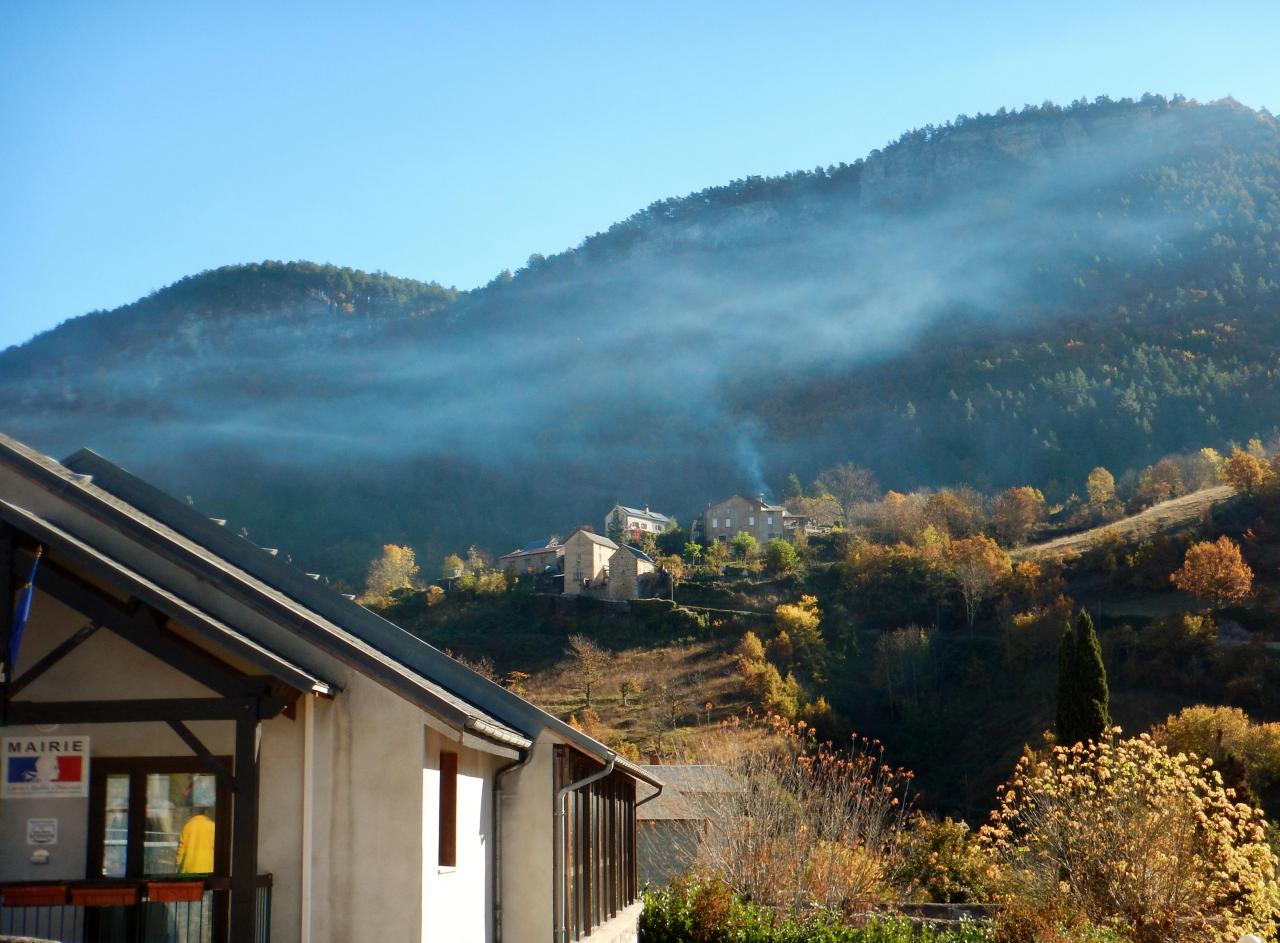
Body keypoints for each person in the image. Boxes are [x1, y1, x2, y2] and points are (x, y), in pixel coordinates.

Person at [175, 807, 214, 874]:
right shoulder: (213, 826)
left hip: (189, 870)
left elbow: (181, 848)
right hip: (208, 870)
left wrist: (177, 863)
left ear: (193, 813)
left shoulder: (187, 826)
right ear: (206, 813)